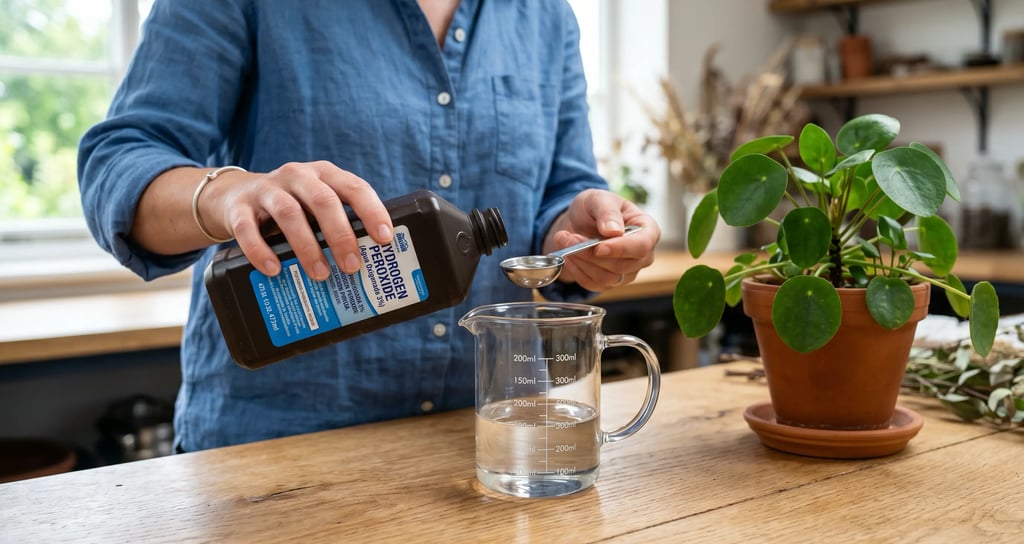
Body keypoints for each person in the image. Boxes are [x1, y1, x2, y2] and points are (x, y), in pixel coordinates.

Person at [78, 0, 660, 452]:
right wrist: (227, 194)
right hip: (277, 458)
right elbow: (119, 163)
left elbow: (559, 193)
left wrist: (581, 231)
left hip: (492, 443)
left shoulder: (545, 15)